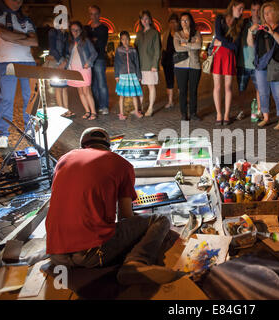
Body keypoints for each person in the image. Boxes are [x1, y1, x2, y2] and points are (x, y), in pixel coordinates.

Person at [46, 127, 184, 286]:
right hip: (92, 254)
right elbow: (125, 215)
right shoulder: (121, 164)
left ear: (83, 145)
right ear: (108, 145)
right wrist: (141, 226)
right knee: (160, 220)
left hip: (55, 255)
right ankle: (136, 263)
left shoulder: (64, 159)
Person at [0, 0, 38, 149]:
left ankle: (29, 129)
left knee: (30, 98)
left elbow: (34, 41)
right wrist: (24, 38)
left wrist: (11, 36)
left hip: (28, 62)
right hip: (6, 62)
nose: (18, 1)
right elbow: (2, 35)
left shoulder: (26, 19)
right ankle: (3, 134)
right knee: (6, 99)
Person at [248, 1, 279, 131]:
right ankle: (266, 117)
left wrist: (272, 32)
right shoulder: (261, 30)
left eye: (269, 12)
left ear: (276, 13)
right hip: (262, 65)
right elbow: (251, 44)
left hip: (277, 63)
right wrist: (250, 31)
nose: (266, 16)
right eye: (264, 13)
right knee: (263, 92)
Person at [212, 0, 245, 125]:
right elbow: (219, 36)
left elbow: (236, 46)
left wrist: (223, 43)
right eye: (240, 8)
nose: (241, 12)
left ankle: (226, 115)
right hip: (218, 54)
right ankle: (219, 114)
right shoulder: (220, 18)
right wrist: (227, 44)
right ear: (233, 6)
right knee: (217, 86)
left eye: (242, 9)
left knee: (228, 87)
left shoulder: (239, 23)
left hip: (229, 56)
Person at [235, 0, 262, 121]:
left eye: (258, 10)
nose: (255, 13)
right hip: (243, 63)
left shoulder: (264, 24)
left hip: (258, 64)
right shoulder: (244, 23)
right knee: (241, 89)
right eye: (253, 10)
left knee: (259, 89)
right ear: (250, 11)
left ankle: (259, 111)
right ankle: (241, 110)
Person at [173, 12, 202, 121]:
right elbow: (177, 48)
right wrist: (191, 45)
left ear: (190, 22)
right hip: (180, 66)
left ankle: (193, 113)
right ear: (180, 23)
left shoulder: (197, 34)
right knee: (183, 91)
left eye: (186, 20)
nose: (184, 22)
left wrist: (185, 44)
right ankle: (184, 114)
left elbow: (199, 45)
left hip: (195, 65)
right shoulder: (177, 34)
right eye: (182, 20)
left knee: (193, 90)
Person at [67, 21, 98, 120]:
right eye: (73, 30)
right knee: (80, 91)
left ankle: (93, 112)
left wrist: (88, 63)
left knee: (86, 91)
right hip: (74, 70)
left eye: (77, 30)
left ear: (81, 30)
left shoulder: (85, 41)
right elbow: (70, 56)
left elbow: (94, 53)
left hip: (84, 69)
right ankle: (87, 111)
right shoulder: (71, 42)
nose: (75, 32)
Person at [135, 10, 161, 117]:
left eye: (146, 19)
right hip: (140, 64)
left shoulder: (154, 33)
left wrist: (155, 64)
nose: (144, 21)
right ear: (140, 21)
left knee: (151, 86)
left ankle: (150, 108)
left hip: (150, 65)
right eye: (142, 19)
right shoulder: (139, 33)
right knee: (139, 87)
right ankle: (139, 107)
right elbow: (135, 48)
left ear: (150, 20)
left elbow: (157, 50)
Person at [85, 5, 110, 115]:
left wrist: (91, 40)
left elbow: (101, 43)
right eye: (91, 14)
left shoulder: (103, 28)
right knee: (92, 84)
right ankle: (94, 106)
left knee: (101, 83)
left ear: (99, 15)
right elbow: (85, 42)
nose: (93, 16)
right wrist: (93, 40)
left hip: (99, 59)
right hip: (89, 60)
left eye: (95, 14)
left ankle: (104, 106)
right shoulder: (86, 29)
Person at [114, 31, 144, 120]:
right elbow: (116, 63)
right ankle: (121, 113)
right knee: (121, 95)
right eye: (123, 39)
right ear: (121, 40)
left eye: (127, 39)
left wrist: (139, 75)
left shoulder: (133, 50)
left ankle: (136, 111)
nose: (125, 41)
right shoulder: (119, 50)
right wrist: (116, 75)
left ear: (129, 39)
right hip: (122, 75)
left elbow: (137, 63)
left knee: (135, 94)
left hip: (132, 74)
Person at [47, 18, 71, 117]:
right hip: (55, 62)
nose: (69, 23)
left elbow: (68, 50)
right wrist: (61, 61)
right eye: (67, 21)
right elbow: (52, 49)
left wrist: (65, 61)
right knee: (58, 88)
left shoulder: (66, 35)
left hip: (64, 62)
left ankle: (67, 109)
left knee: (64, 87)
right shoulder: (53, 32)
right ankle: (61, 110)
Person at [161, 14, 179, 109]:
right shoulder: (165, 34)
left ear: (177, 23)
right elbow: (163, 47)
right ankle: (170, 101)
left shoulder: (180, 33)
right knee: (169, 81)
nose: (172, 24)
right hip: (167, 60)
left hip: (179, 60)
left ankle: (182, 99)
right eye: (170, 22)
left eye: (174, 22)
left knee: (180, 80)